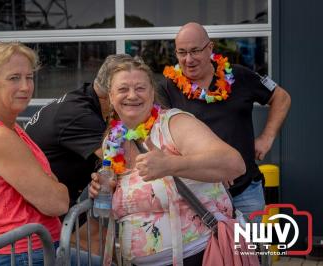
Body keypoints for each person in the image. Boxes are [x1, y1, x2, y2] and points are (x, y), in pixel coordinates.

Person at [89, 56, 247, 265]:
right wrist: (104, 187)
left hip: (199, 255)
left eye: (140, 88)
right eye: (123, 89)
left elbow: (234, 165)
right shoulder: (113, 140)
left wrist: (170, 165)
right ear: (110, 96)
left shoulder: (173, 123)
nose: (132, 95)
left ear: (152, 92)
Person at [159, 22, 291, 221]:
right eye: (182, 52)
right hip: (198, 196)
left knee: (248, 251)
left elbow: (281, 97)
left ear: (210, 48)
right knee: (207, 253)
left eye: (195, 51)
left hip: (245, 192)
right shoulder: (168, 88)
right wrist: (217, 167)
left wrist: (267, 137)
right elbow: (165, 139)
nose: (189, 59)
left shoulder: (239, 76)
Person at [0, 42, 69, 266]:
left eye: (29, 77)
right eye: (14, 78)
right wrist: (52, 183)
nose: (25, 86)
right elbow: (57, 203)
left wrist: (51, 185)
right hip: (22, 255)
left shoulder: (11, 127)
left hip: (33, 250)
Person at [25, 54, 133, 262]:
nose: (129, 101)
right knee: (94, 240)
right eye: (123, 93)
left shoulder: (85, 97)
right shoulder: (80, 115)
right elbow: (122, 160)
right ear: (108, 94)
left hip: (61, 197)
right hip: (45, 208)